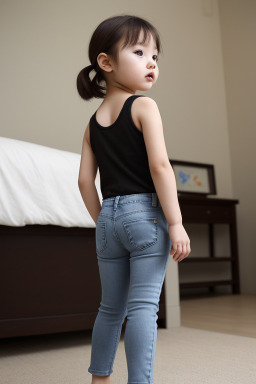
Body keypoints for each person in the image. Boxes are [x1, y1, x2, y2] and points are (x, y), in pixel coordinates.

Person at [77, 14, 191, 384]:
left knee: (109, 308)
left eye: (156, 55)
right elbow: (160, 166)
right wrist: (175, 222)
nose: (152, 62)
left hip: (108, 219)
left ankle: (99, 379)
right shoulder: (144, 106)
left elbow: (83, 182)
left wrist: (104, 222)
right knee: (143, 308)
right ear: (106, 62)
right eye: (140, 52)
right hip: (145, 216)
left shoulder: (92, 123)